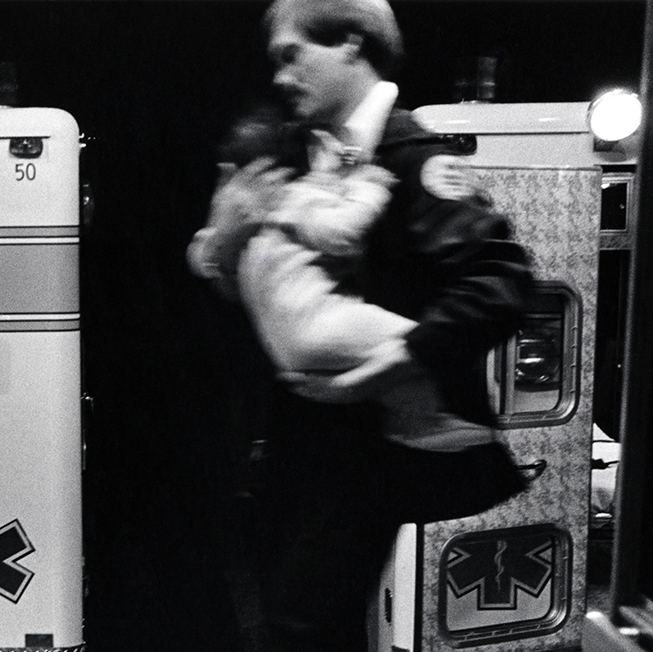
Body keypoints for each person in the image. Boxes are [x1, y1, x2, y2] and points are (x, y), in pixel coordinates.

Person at [188, 0, 532, 652]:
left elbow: (501, 280)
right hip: (312, 454)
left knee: (305, 651)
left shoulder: (413, 153)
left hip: (366, 455)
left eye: (298, 48)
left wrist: (395, 365)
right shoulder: (328, 153)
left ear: (352, 44)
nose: (284, 67)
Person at [191, 97, 499, 453]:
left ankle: (416, 418)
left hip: (286, 349)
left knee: (401, 353)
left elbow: (207, 259)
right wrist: (372, 187)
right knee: (423, 341)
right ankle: (419, 420)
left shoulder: (384, 143)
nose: (284, 79)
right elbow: (339, 233)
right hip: (318, 336)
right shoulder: (289, 198)